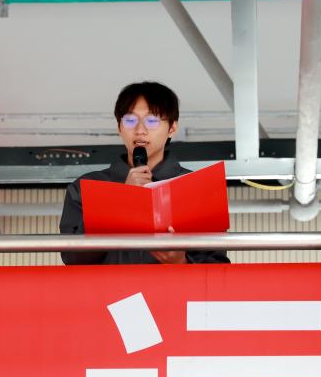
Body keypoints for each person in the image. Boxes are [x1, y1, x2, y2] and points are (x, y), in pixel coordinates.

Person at [59, 81, 230, 265]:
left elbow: (217, 266)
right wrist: (119, 201)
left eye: (152, 121)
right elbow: (72, 257)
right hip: (110, 286)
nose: (140, 130)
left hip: (173, 285)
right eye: (130, 120)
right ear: (119, 127)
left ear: (172, 128)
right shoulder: (85, 187)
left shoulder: (198, 188)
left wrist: (180, 263)